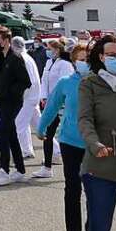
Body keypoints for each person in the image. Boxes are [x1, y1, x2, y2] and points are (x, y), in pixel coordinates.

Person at [78, 35, 116, 231]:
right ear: (102, 57)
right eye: (112, 55)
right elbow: (85, 120)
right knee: (98, 228)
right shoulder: (90, 84)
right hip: (100, 170)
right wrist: (95, 144)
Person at [38, 43, 89, 231]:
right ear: (74, 62)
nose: (85, 63)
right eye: (81, 60)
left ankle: (93, 227)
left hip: (94, 145)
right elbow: (52, 106)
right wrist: (42, 127)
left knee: (95, 192)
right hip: (70, 142)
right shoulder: (66, 82)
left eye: (88, 60)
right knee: (73, 190)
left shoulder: (99, 82)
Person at [0, 25, 31, 185]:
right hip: (1, 102)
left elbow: (25, 81)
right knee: (11, 134)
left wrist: (10, 92)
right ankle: (20, 170)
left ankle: (4, 170)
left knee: (2, 132)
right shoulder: (1, 56)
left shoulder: (15, 58)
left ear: (7, 40)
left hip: (12, 102)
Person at [35, 38, 73, 178]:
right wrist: (44, 97)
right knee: (48, 135)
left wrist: (58, 101)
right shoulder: (49, 62)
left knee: (64, 136)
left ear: (57, 50)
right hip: (50, 104)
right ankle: (47, 167)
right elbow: (44, 81)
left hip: (61, 105)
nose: (47, 51)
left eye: (50, 49)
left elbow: (64, 85)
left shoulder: (64, 64)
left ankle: (72, 166)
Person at [15, 36, 42, 159]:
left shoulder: (23, 59)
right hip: (32, 97)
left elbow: (27, 81)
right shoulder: (27, 58)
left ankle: (17, 152)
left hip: (28, 98)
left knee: (19, 126)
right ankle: (27, 150)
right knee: (40, 127)